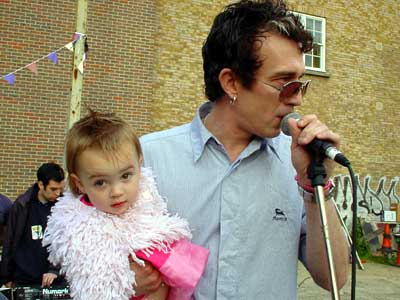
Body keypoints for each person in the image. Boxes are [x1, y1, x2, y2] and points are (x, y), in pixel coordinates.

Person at [137, 1, 349, 299]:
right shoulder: (147, 158)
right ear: (231, 82)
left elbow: (334, 278)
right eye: (284, 83)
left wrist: (316, 188)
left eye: (300, 84)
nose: (297, 100)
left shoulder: (297, 162)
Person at [42, 111, 209, 300]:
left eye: (125, 176)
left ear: (139, 165)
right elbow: (92, 289)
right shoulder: (79, 228)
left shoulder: (146, 194)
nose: (117, 191)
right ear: (79, 183)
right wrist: (128, 284)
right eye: (100, 183)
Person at [0, 163, 65, 289]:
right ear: (41, 185)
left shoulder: (63, 207)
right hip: (24, 280)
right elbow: (10, 241)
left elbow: (66, 243)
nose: (58, 193)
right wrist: (6, 277)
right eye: (53, 189)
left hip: (54, 281)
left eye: (60, 189)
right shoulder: (22, 205)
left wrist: (54, 270)